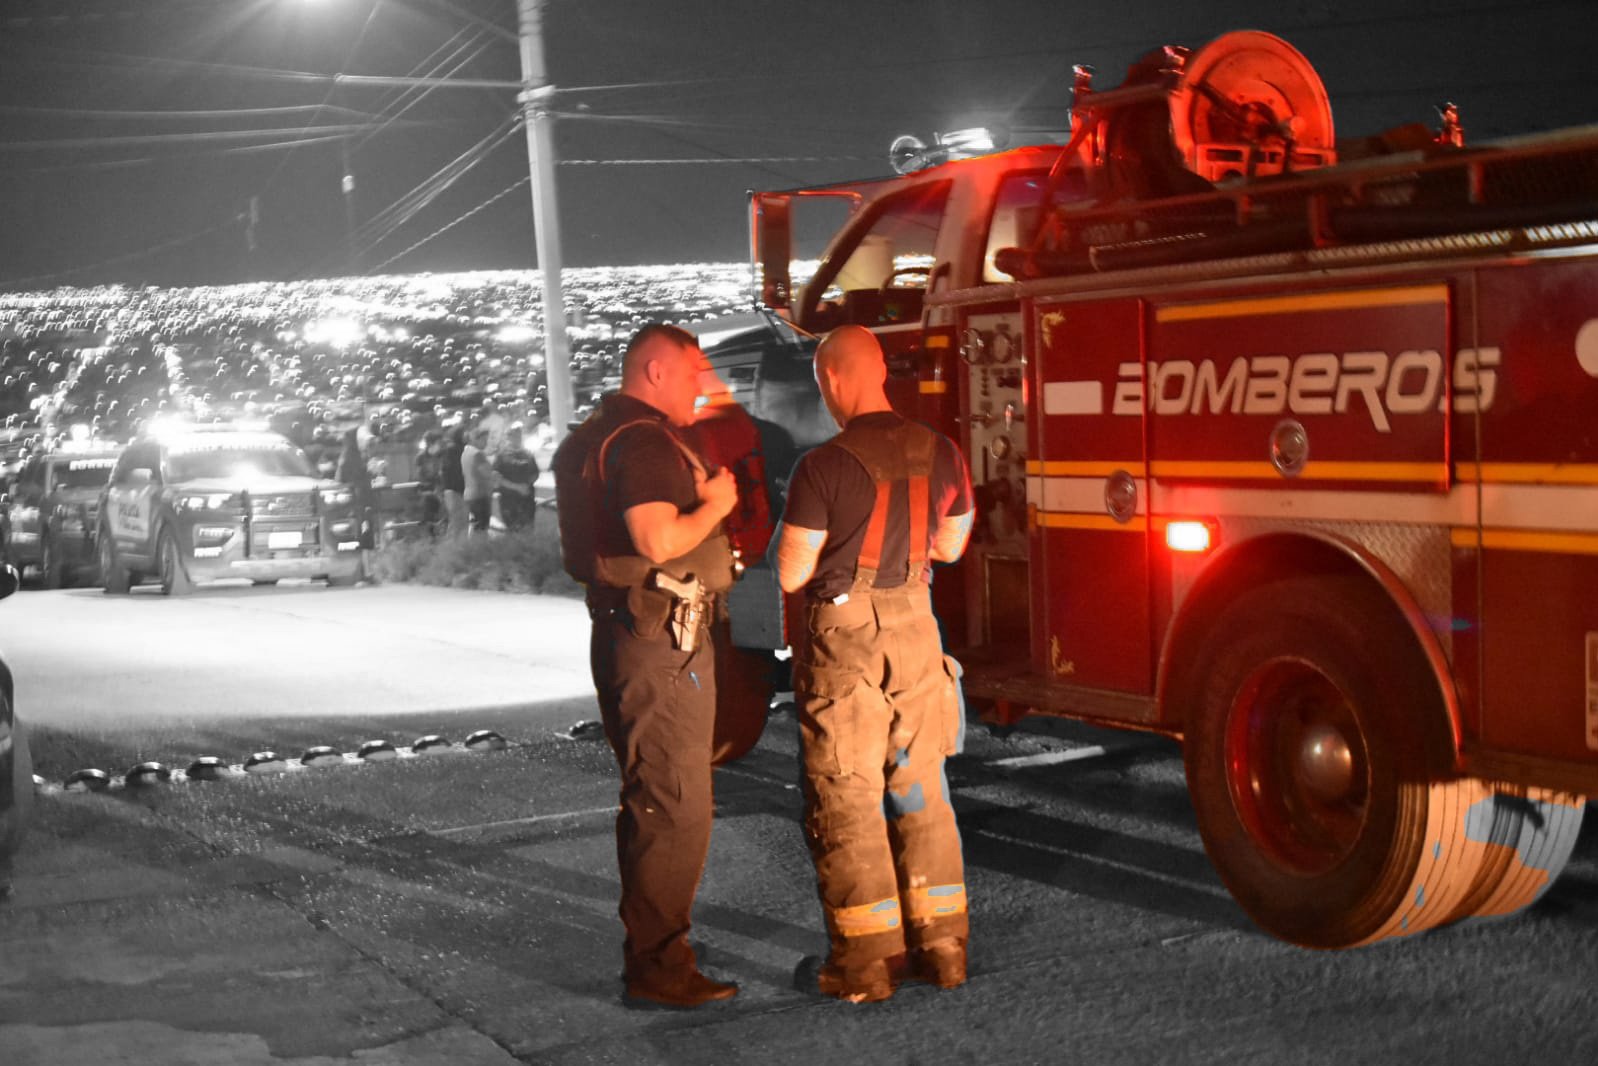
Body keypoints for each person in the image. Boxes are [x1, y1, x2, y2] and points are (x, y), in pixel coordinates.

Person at [771, 324, 975, 1004]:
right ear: (881, 370)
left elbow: (793, 571)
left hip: (847, 639)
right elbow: (952, 545)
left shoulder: (823, 466)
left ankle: (865, 963)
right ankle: (943, 948)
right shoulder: (941, 450)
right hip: (918, 627)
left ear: (833, 378)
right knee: (922, 790)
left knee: (847, 795)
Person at [552, 323, 741, 1009]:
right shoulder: (645, 442)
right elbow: (657, 539)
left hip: (630, 631)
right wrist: (717, 505)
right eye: (693, 374)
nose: (703, 388)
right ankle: (660, 967)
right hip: (661, 638)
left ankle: (656, 951)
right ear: (655, 371)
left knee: (653, 795)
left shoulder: (593, 436)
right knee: (673, 802)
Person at [334, 424, 376, 557]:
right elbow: (351, 478)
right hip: (353, 499)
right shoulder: (349, 456)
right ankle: (362, 557)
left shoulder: (358, 454)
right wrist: (368, 471)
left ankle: (366, 556)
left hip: (360, 497)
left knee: (365, 527)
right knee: (360, 530)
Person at [492, 422, 540, 532]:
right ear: (508, 437)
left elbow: (535, 473)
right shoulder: (502, 455)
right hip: (509, 501)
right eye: (514, 435)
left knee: (528, 530)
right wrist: (516, 487)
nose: (518, 437)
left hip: (527, 500)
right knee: (513, 531)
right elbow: (495, 476)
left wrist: (527, 485)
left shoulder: (528, 453)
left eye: (519, 434)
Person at [462, 426, 496, 538]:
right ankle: (480, 547)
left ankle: (475, 546)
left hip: (469, 494)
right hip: (480, 494)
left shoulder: (466, 452)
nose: (486, 442)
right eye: (484, 439)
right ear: (475, 439)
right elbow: (487, 473)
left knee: (476, 526)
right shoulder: (478, 454)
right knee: (482, 527)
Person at [414, 429, 446, 537]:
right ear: (430, 443)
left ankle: (442, 532)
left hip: (443, 489)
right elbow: (420, 475)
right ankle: (431, 535)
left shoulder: (443, 454)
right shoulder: (421, 457)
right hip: (428, 489)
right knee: (429, 510)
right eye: (438, 442)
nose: (440, 444)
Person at [440, 424, 468, 542]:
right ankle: (453, 546)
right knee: (457, 522)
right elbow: (453, 470)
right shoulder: (453, 450)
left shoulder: (459, 449)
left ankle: (459, 546)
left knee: (461, 521)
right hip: (455, 490)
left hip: (457, 489)